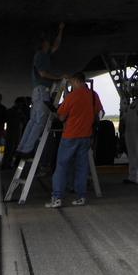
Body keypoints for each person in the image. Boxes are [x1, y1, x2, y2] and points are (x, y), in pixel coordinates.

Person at [45, 73, 103, 208]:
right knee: (82, 167)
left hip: (70, 136)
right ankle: (81, 197)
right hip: (86, 136)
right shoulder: (94, 96)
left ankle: (57, 197)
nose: (71, 85)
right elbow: (100, 113)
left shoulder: (72, 96)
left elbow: (61, 117)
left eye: (71, 83)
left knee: (61, 167)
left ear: (77, 81)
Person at [18, 23, 65, 157]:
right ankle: (27, 150)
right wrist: (58, 78)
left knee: (33, 121)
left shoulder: (44, 55)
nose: (50, 44)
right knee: (39, 122)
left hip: (38, 91)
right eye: (47, 42)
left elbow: (56, 45)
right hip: (41, 91)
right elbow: (43, 73)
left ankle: (22, 148)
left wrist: (60, 30)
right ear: (43, 44)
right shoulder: (40, 56)